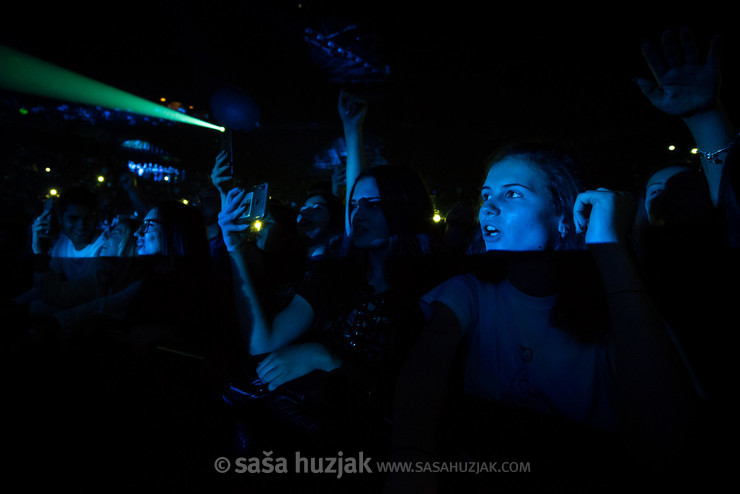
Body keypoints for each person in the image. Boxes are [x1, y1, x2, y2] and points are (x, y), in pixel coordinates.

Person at [385, 142, 701, 492]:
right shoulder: (469, 292)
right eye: (486, 194)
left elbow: (667, 439)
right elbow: (423, 372)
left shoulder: (615, 311)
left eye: (513, 195)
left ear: (563, 217)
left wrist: (609, 248)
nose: (488, 207)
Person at [219, 164, 442, 459]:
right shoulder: (333, 277)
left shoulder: (435, 289)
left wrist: (324, 357)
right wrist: (233, 246)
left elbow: (418, 399)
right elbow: (263, 341)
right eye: (353, 204)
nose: (358, 213)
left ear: (405, 209)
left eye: (373, 204)